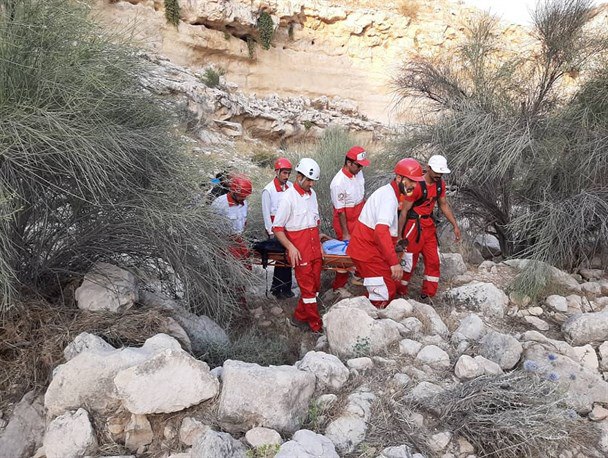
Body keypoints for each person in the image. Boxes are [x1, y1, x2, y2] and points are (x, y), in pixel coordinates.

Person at [347, 158, 425, 308]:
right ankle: (367, 320)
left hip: (370, 250)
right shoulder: (388, 198)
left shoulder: (390, 194)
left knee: (390, 285)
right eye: (411, 181)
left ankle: (363, 307)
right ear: (399, 178)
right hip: (367, 252)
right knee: (386, 292)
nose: (414, 186)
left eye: (416, 182)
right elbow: (381, 232)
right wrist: (394, 263)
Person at [397, 154, 461, 301]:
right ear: (428, 168)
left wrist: (455, 225)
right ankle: (399, 292)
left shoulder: (440, 185)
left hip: (428, 226)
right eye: (437, 172)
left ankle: (428, 295)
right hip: (413, 226)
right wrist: (400, 235)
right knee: (408, 261)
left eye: (441, 172)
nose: (439, 175)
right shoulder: (415, 185)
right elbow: (404, 211)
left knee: (433, 260)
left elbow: (443, 204)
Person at [272, 158, 324, 332]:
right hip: (300, 251)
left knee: (315, 287)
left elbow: (315, 222)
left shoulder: (313, 195)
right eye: (308, 180)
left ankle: (298, 318)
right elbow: (277, 228)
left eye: (313, 181)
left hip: (315, 248)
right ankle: (315, 326)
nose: (311, 184)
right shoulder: (288, 198)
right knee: (308, 291)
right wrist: (291, 247)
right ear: (299, 176)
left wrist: (320, 244)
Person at [329, 146, 370, 296]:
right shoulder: (338, 183)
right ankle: (338, 286)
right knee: (345, 255)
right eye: (358, 165)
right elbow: (340, 212)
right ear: (348, 163)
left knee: (363, 248)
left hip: (359, 214)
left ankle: (358, 275)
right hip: (345, 220)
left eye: (362, 166)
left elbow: (361, 194)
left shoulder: (358, 173)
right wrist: (345, 233)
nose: (360, 168)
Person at [262, 157, 294, 299]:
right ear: (277, 172)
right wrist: (271, 233)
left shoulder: (291, 187)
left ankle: (284, 287)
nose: (286, 176)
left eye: (288, 173)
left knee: (287, 258)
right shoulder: (268, 191)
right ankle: (278, 288)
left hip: (289, 227)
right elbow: (266, 213)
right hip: (276, 229)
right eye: (284, 173)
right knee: (281, 258)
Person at [211, 173, 253, 261]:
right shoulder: (220, 203)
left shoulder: (244, 203)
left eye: (245, 196)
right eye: (241, 196)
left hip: (239, 242)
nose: (243, 198)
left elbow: (244, 222)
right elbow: (211, 227)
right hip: (223, 243)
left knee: (246, 267)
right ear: (233, 191)